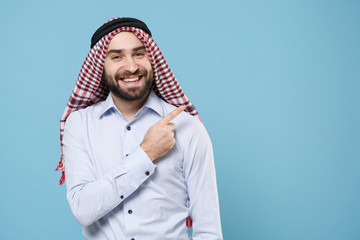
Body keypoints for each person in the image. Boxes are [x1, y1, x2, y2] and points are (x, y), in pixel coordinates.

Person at [56, 17, 223, 240]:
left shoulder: (187, 127)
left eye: (139, 54)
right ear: (100, 66)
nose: (132, 67)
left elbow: (208, 230)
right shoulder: (80, 125)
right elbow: (83, 210)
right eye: (116, 57)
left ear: (151, 58)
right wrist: (146, 153)